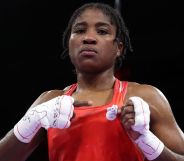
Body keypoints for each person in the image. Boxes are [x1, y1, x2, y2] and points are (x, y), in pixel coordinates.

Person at [0, 2, 184, 161]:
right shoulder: (49, 101)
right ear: (69, 44)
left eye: (102, 31)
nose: (88, 38)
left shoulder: (145, 97)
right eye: (79, 30)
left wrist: (146, 140)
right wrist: (32, 120)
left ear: (119, 47)